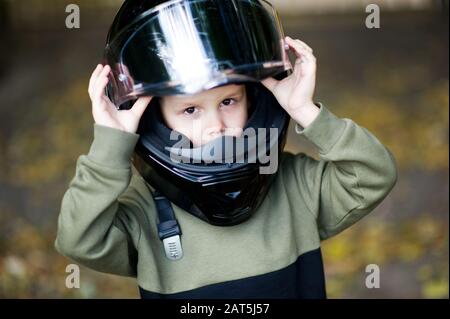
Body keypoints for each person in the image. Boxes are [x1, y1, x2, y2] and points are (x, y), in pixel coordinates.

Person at [55, 0, 397, 299]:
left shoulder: (296, 187)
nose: (215, 125)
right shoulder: (143, 213)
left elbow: (373, 174)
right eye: (191, 110)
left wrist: (306, 111)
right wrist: (110, 145)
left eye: (228, 101)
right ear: (153, 119)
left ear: (255, 99)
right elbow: (77, 238)